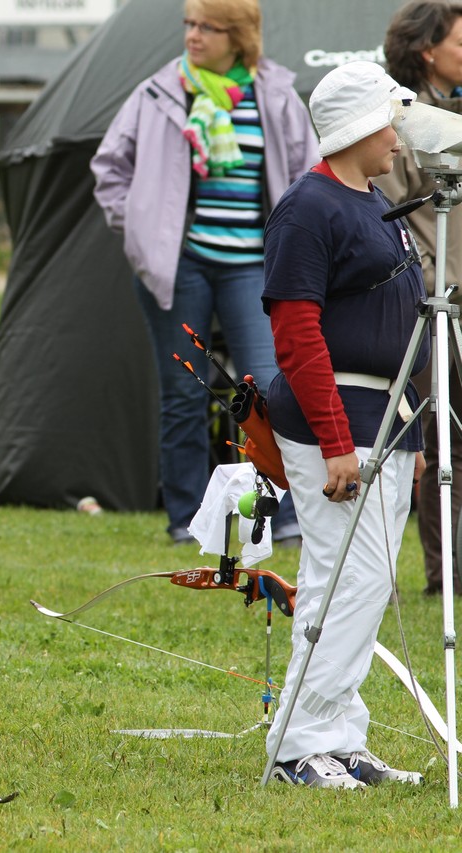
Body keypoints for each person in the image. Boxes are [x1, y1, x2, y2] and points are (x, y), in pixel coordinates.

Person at [91, 0, 317, 546]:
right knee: (182, 394)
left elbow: (307, 171)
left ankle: (281, 516)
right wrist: (142, 232)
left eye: (207, 28)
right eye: (189, 25)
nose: (193, 36)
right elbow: (108, 169)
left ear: (237, 37)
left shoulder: (275, 93)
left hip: (252, 268)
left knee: (267, 390)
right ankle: (186, 521)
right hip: (179, 266)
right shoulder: (158, 91)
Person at [262, 60, 425, 788]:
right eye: (388, 119)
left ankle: (340, 736)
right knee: (343, 581)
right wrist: (335, 442)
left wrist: (413, 434)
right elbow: (296, 334)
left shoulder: (375, 202)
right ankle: (300, 746)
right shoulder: (309, 206)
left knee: (366, 579)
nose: (396, 135)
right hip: (337, 420)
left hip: (384, 421)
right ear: (358, 126)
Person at [378, 1, 462, 597]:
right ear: (428, 49)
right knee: (439, 440)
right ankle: (447, 576)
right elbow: (389, 214)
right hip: (435, 302)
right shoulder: (402, 120)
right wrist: (429, 280)